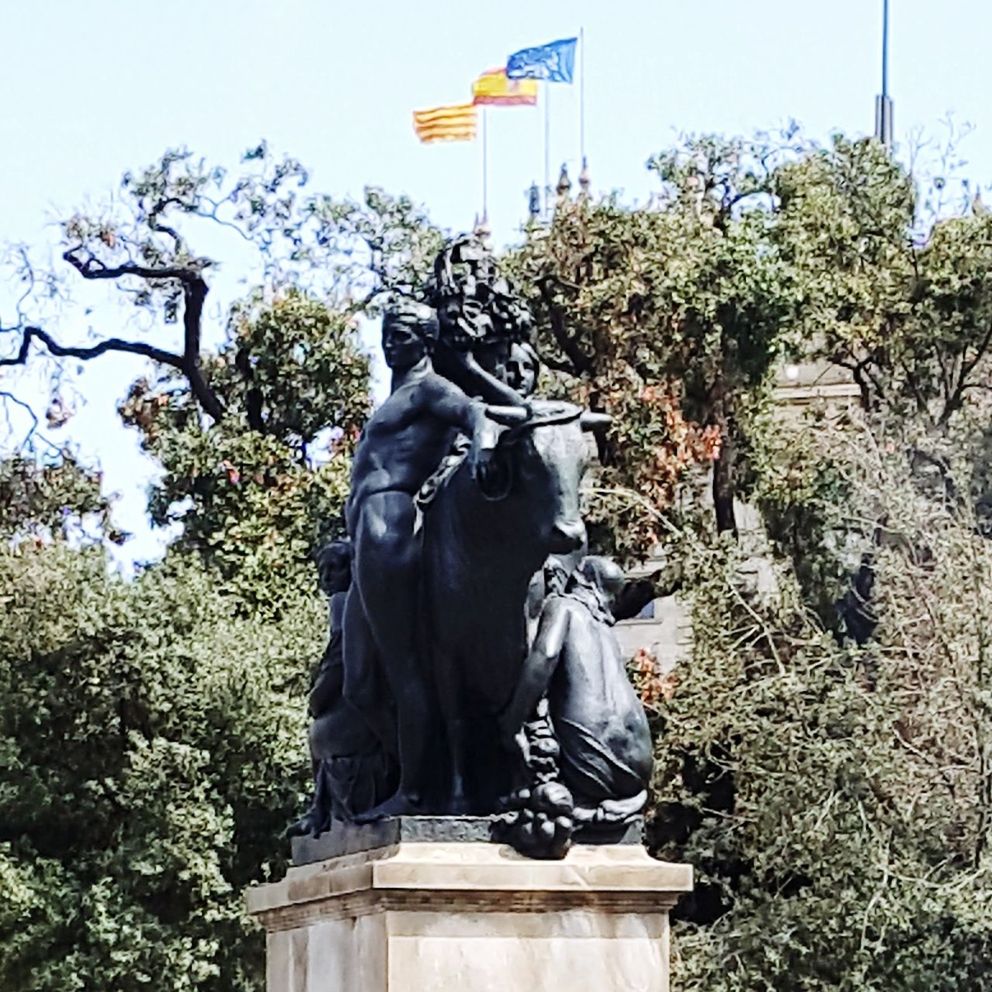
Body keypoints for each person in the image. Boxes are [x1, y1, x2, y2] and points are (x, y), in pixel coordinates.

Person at [344, 299, 525, 818]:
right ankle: (426, 771)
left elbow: (477, 414)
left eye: (400, 335)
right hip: (364, 533)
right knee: (360, 683)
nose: (389, 343)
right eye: (386, 333)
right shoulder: (400, 393)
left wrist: (482, 445)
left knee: (405, 668)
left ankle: (420, 791)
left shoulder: (429, 388)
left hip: (389, 524)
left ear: (425, 342)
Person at [498, 556, 653, 832]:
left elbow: (545, 655)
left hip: (595, 763)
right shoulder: (606, 630)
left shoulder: (564, 607)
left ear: (584, 580)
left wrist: (512, 722)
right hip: (638, 769)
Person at [286, 540, 394, 836]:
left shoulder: (344, 603)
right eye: (323, 570)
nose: (328, 577)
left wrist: (315, 699)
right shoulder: (370, 602)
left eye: (336, 568)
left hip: (363, 712)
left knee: (321, 732)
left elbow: (338, 662)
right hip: (370, 710)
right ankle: (318, 809)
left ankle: (318, 812)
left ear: (353, 568)